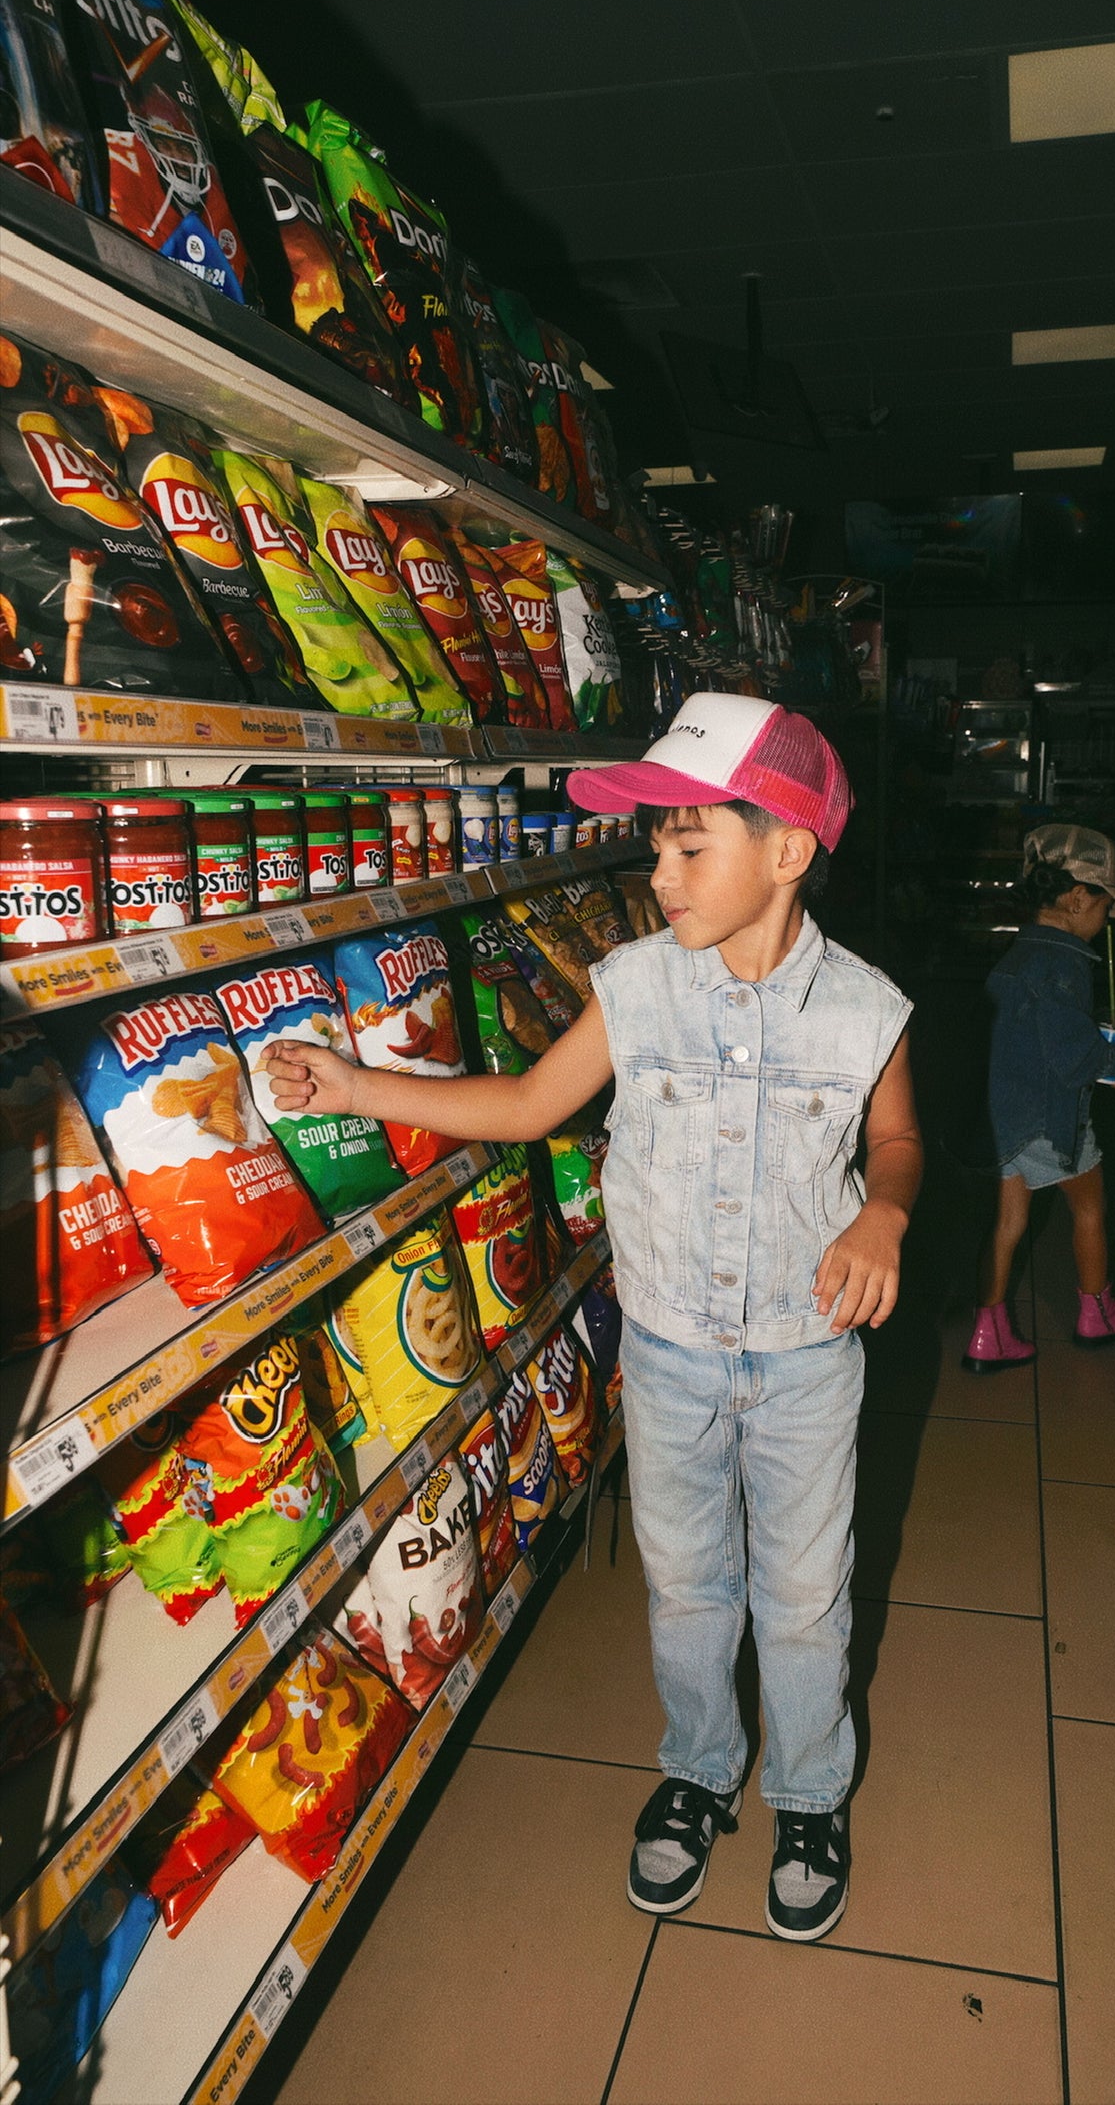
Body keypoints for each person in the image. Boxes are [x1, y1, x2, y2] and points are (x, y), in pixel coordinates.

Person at [268, 692, 922, 1945]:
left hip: (803, 1359)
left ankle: (806, 1790)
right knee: (685, 1585)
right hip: (668, 1347)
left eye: (688, 846)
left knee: (800, 1592)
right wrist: (360, 1081)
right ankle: (697, 1765)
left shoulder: (865, 1011)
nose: (659, 873)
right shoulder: (631, 985)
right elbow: (523, 1104)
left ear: (785, 850)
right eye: (655, 848)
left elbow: (893, 1139)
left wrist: (882, 1213)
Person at [967, 823, 1115, 1371]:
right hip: (1049, 1120)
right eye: (1103, 907)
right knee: (1091, 1207)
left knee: (1005, 1224)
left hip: (1005, 1116)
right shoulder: (1064, 961)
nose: (1105, 921)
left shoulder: (1020, 953)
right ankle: (1097, 1311)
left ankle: (988, 1327)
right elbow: (1073, 1056)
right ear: (1077, 900)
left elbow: (1036, 1032)